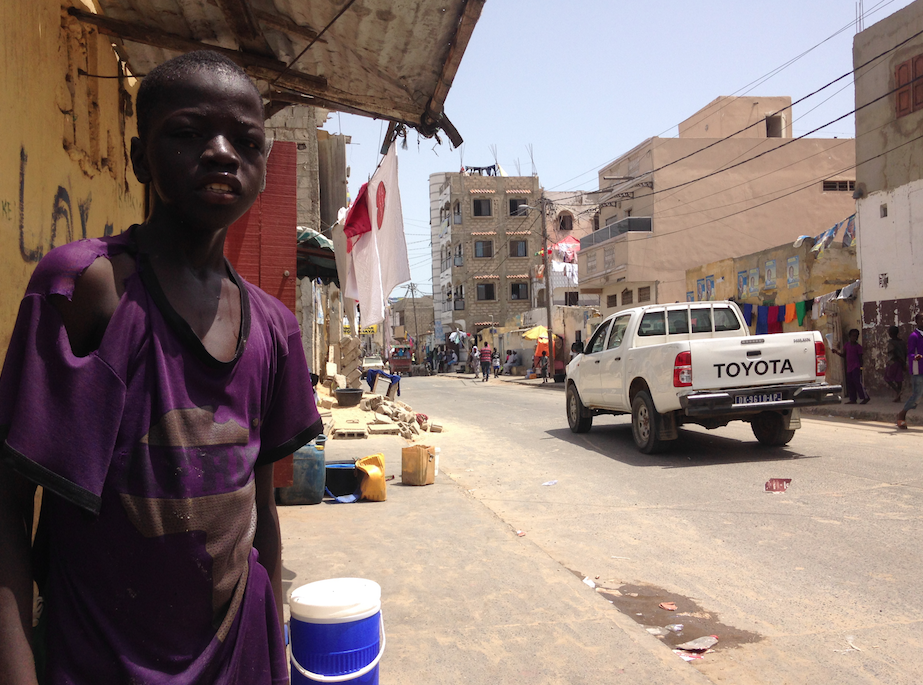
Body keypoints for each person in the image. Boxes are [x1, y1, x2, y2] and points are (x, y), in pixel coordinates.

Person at [0, 51, 323, 684]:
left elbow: (262, 512)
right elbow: (9, 501)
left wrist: (276, 653)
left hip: (237, 656)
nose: (222, 153)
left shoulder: (275, 329)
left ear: (262, 167)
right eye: (188, 133)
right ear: (140, 158)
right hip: (100, 659)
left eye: (246, 142)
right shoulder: (88, 289)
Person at [897, 313, 923, 429]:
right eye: (922, 319)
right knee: (917, 394)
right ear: (917, 321)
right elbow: (910, 353)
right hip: (918, 369)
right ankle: (902, 414)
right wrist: (915, 357)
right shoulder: (914, 336)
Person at [832, 328, 870, 405]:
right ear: (849, 336)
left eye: (856, 336)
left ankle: (865, 397)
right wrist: (836, 352)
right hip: (849, 367)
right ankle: (853, 399)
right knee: (850, 383)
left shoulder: (858, 347)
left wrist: (861, 367)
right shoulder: (847, 345)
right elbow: (844, 355)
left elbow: (860, 358)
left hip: (856, 367)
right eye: (853, 336)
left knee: (857, 382)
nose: (854, 338)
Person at [884, 324, 907, 402]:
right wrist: (904, 363)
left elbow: (892, 352)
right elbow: (905, 353)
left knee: (887, 378)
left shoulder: (891, 342)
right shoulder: (902, 342)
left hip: (893, 362)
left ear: (890, 333)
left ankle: (898, 391)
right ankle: (898, 397)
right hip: (901, 363)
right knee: (898, 379)